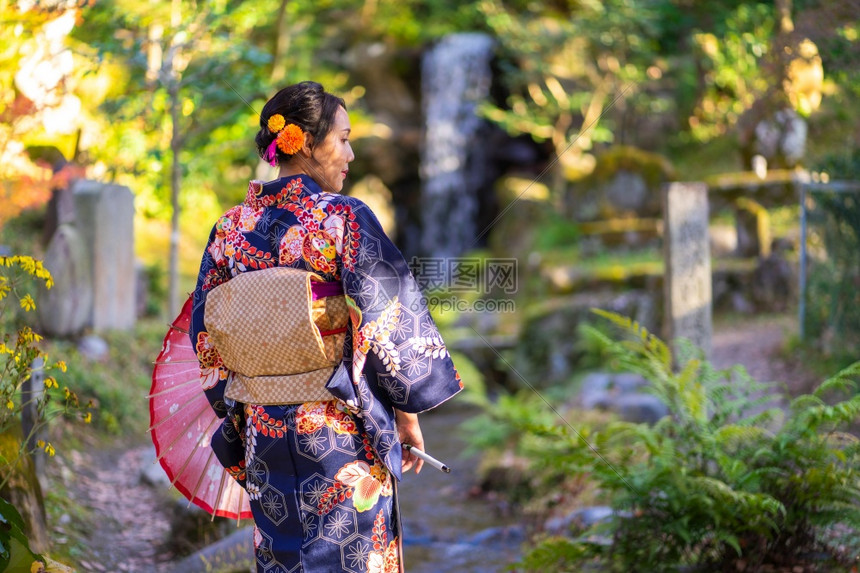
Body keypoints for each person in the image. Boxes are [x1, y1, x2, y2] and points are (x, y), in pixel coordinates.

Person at [189, 81, 463, 573]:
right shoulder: (343, 218)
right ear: (308, 145)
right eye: (343, 138)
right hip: (338, 430)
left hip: (264, 431)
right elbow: (387, 313)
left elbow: (205, 337)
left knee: (282, 556)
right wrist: (407, 415)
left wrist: (247, 404)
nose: (351, 153)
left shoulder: (229, 229)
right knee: (354, 556)